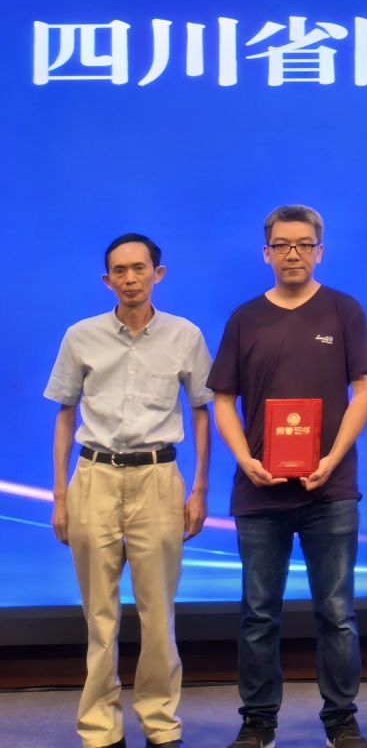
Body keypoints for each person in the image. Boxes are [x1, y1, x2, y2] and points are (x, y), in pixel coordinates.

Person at [207, 204, 367, 748]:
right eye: (282, 245)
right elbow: (223, 399)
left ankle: (341, 719)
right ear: (267, 253)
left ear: (320, 251)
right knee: (259, 614)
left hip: (331, 489)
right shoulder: (244, 319)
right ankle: (258, 721)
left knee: (337, 613)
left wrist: (333, 456)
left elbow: (364, 390)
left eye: (304, 244)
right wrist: (244, 459)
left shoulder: (344, 311)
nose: (293, 253)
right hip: (259, 491)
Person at [45, 233, 213, 748]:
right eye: (119, 270)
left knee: (157, 612)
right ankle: (100, 727)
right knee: (99, 614)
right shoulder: (80, 336)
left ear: (158, 274)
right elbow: (65, 413)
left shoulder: (185, 335)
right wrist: (59, 496)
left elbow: (201, 411)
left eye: (139, 268)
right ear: (107, 280)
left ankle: (160, 722)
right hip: (93, 477)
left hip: (158, 479)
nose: (130, 278)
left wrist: (200, 489)